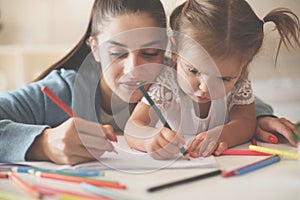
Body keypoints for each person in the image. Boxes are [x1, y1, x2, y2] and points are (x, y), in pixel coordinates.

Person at [0, 0, 296, 165]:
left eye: (150, 53)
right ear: (94, 48)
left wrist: (261, 115)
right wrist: (41, 143)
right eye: (117, 52)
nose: (135, 69)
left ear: (170, 49)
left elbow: (233, 95)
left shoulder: (179, 78)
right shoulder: (57, 91)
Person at [124, 0, 299, 160]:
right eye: (193, 71)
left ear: (244, 68)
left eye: (223, 78)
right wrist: (148, 138)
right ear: (176, 49)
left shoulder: (239, 82)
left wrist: (225, 135)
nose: (204, 87)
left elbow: (246, 121)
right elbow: (134, 125)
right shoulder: (165, 84)